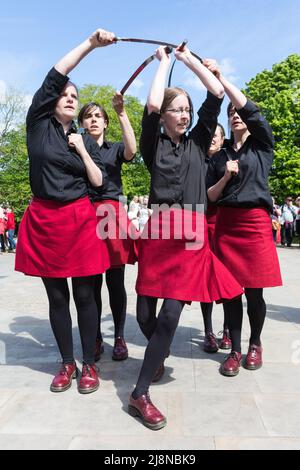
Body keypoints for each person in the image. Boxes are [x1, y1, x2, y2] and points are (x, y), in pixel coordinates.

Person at [128, 45, 243, 430]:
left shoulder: (198, 142)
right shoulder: (152, 145)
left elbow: (215, 93)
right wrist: (163, 64)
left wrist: (188, 59)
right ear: (164, 118)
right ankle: (157, 355)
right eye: (177, 109)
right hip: (159, 233)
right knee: (146, 316)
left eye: (187, 111)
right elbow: (150, 106)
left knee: (171, 316)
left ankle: (139, 392)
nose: (185, 114)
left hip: (192, 237)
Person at [15, 28, 116, 394]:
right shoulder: (38, 125)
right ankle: (66, 363)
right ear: (51, 101)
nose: (71, 98)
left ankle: (89, 364)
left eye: (76, 96)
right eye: (65, 94)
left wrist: (83, 149)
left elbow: (100, 182)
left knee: (85, 295)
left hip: (79, 218)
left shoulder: (83, 139)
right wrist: (90, 44)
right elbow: (56, 73)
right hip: (44, 220)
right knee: (57, 297)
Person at [205, 58, 282, 377]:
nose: (236, 115)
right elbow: (209, 195)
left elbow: (250, 109)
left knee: (255, 292)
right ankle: (235, 349)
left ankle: (255, 343)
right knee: (230, 291)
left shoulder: (261, 145)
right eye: (231, 112)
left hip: (254, 224)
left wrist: (221, 79)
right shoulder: (220, 154)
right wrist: (224, 177)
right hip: (226, 225)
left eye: (239, 112)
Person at [78, 92, 137, 362]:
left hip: (111, 212)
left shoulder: (114, 148)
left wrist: (121, 112)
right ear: (82, 123)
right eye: (88, 116)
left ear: (105, 123)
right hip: (85, 213)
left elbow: (132, 150)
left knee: (115, 281)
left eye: (98, 116)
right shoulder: (75, 149)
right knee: (91, 282)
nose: (93, 120)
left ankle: (120, 336)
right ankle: (97, 337)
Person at [201, 123, 232, 353]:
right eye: (210, 135)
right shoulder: (197, 160)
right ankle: (208, 331)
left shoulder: (228, 159)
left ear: (223, 140)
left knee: (228, 278)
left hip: (223, 221)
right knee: (206, 279)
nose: (212, 138)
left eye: (217, 135)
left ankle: (228, 329)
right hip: (200, 223)